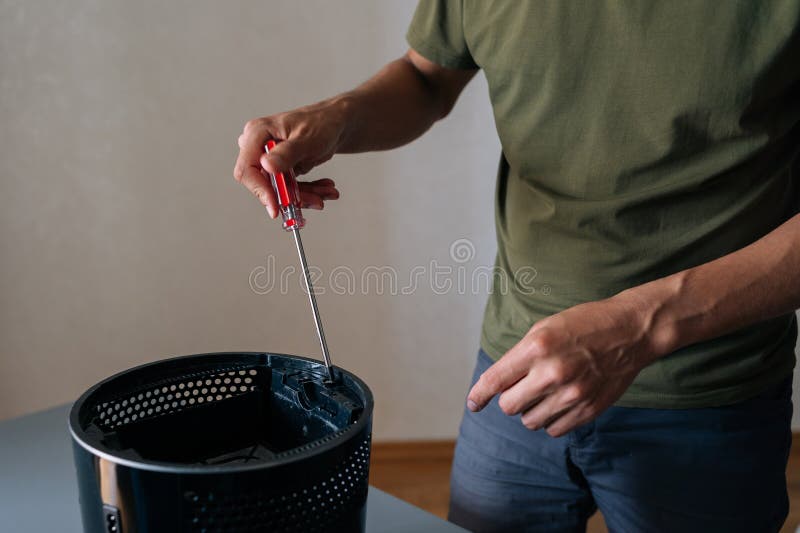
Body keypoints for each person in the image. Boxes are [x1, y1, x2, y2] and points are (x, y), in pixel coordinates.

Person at [234, 2, 799, 531]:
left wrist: (643, 324)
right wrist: (339, 116)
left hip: (710, 392)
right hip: (512, 373)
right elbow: (427, 76)